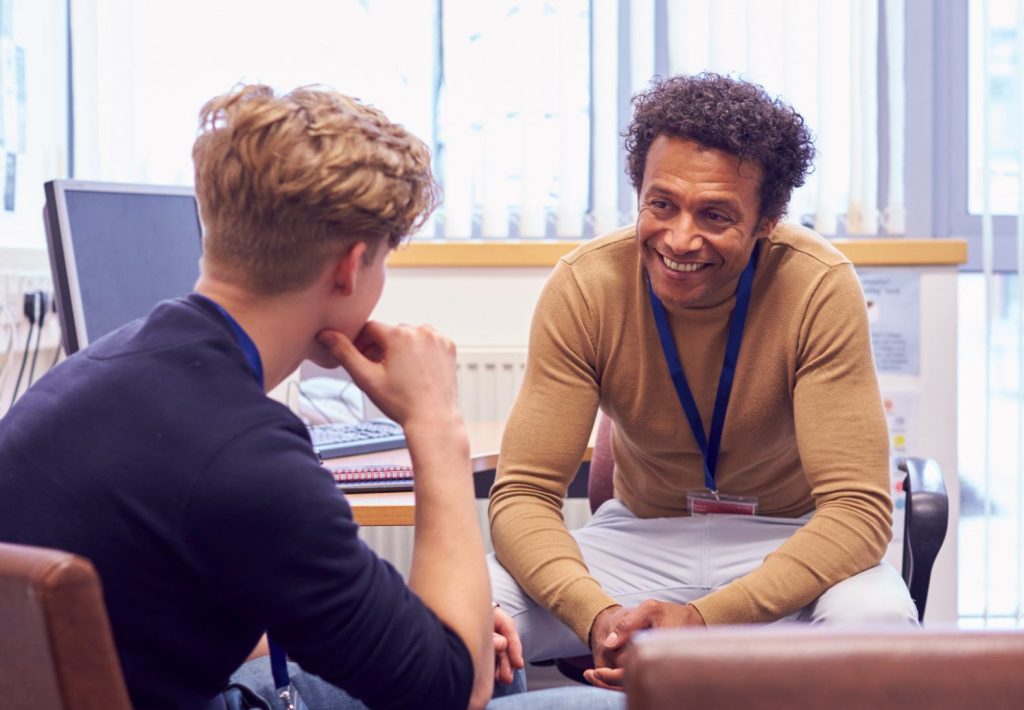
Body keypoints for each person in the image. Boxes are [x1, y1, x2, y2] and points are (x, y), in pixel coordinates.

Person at [0, 85, 623, 710]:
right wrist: (435, 422)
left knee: (484, 649)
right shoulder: (248, 457)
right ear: (351, 268)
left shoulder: (97, 371)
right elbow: (450, 691)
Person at [488, 72, 919, 690]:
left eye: (715, 214)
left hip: (787, 541)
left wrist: (706, 620)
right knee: (464, 612)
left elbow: (856, 513)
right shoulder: (586, 286)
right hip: (639, 541)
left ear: (767, 220)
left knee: (879, 626)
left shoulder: (818, 286)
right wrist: (599, 617)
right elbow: (523, 496)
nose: (680, 238)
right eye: (661, 204)